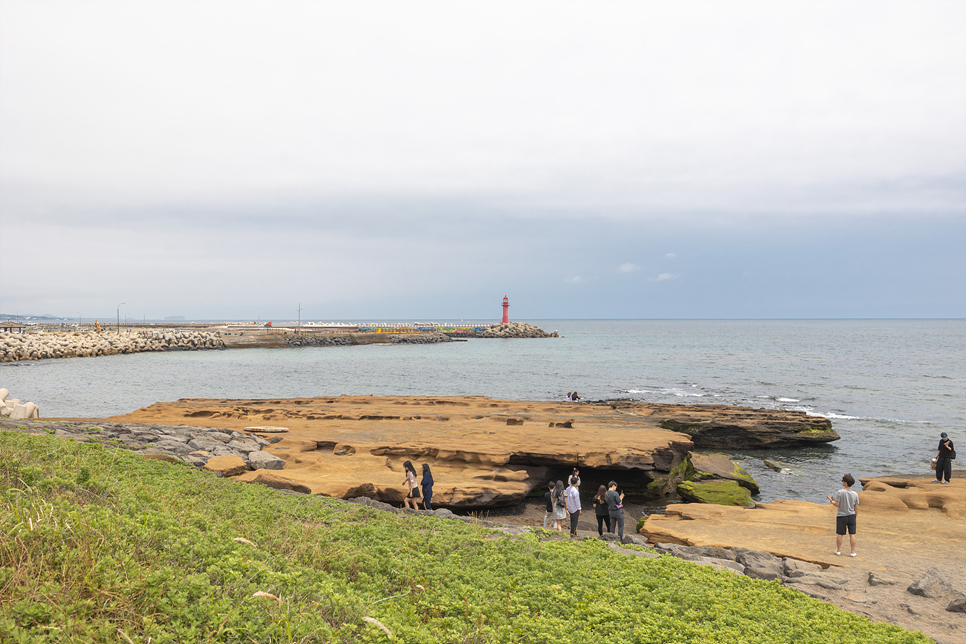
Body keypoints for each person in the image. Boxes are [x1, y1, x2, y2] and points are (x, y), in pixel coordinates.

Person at [827, 473, 859, 557]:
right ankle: (852, 552)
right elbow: (856, 507)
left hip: (841, 516)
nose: (842, 482)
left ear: (845, 483)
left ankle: (838, 550)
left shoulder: (840, 492)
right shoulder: (855, 494)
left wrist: (831, 500)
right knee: (852, 534)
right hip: (851, 515)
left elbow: (837, 504)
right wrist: (855, 516)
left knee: (840, 534)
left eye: (843, 481)